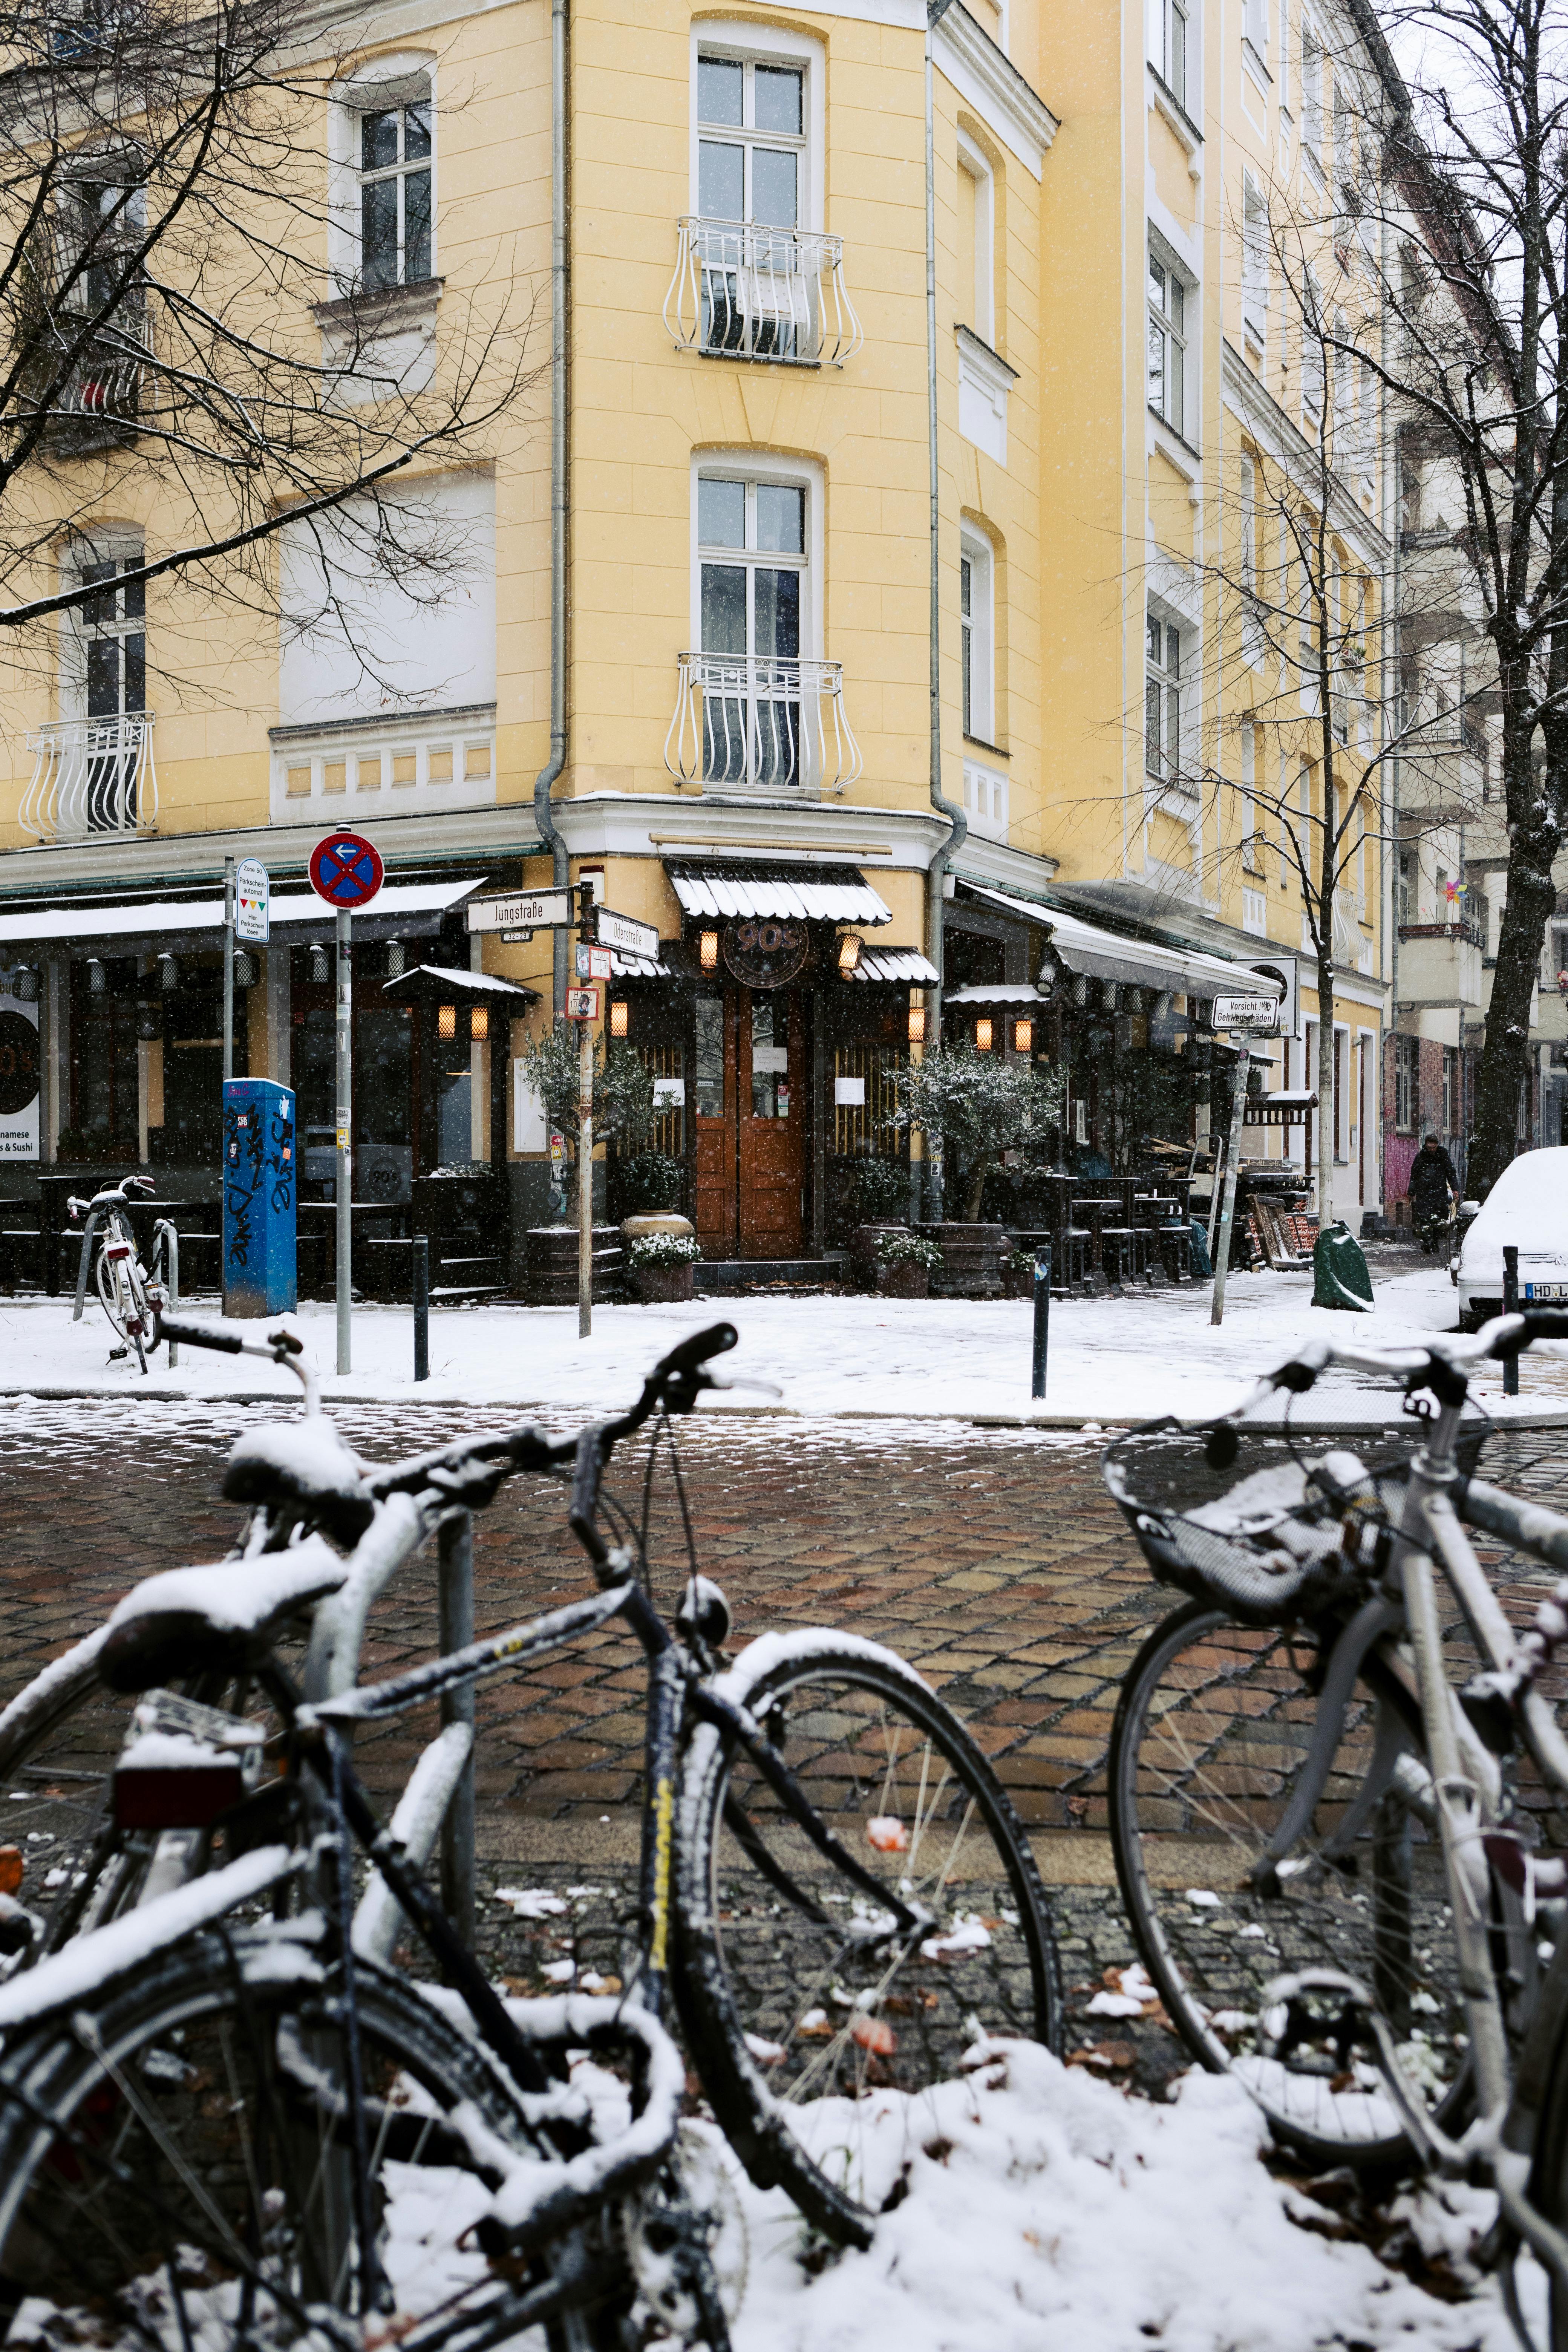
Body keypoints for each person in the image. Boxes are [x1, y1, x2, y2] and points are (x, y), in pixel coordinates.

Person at [1407, 1133, 1459, 1251]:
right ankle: (1426, 1242)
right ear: (1426, 1146)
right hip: (1424, 1191)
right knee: (1425, 1217)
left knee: (1439, 1218)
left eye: (1434, 1147)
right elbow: (1414, 1175)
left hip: (1439, 1191)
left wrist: (1455, 1188)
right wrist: (1411, 1192)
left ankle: (1435, 1242)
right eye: (1430, 1147)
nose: (1432, 1149)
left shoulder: (1443, 1155)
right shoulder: (1421, 1157)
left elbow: (1451, 1172)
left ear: (1437, 1146)